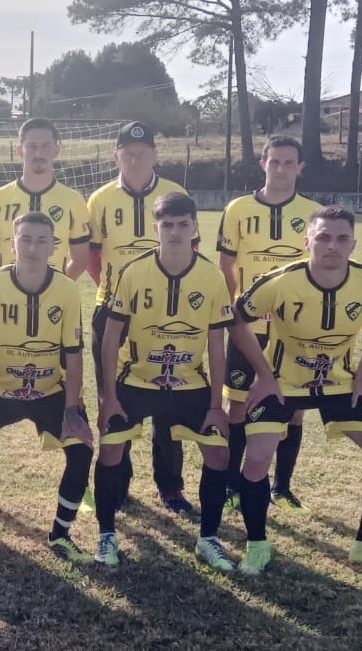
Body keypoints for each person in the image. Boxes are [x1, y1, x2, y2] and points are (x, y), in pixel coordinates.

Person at [232, 205, 362, 576]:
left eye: (342, 239)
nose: (332, 246)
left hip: (340, 383)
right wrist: (263, 375)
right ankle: (257, 545)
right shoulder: (278, 282)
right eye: (324, 237)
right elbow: (236, 319)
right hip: (282, 382)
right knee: (258, 460)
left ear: (353, 244)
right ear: (307, 240)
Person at [96, 193, 245, 571]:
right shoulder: (133, 272)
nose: (175, 232)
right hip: (137, 380)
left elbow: (216, 344)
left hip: (189, 383)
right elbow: (111, 336)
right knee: (111, 449)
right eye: (167, 225)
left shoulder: (211, 276)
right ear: (155, 228)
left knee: (218, 453)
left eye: (183, 224)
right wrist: (109, 396)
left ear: (195, 227)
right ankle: (106, 535)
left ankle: (208, 539)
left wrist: (216, 405)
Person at [0, 212, 94, 567]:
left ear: (54, 246)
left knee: (81, 449)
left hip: (49, 389)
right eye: (25, 239)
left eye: (41, 240)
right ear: (12, 244)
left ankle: (61, 535)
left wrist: (72, 411)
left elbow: (74, 355)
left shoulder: (66, 289)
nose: (32, 247)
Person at [86, 121, 201, 514]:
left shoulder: (175, 191)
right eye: (128, 153)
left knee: (168, 396)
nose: (135, 159)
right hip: (111, 310)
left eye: (142, 152)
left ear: (154, 154)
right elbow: (93, 256)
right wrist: (118, 292)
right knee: (114, 398)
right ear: (116, 155)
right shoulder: (99, 199)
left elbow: (192, 249)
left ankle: (170, 487)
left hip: (166, 311)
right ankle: (118, 485)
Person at [217, 135, 320, 515]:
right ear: (263, 163)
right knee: (237, 405)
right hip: (247, 328)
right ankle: (232, 484)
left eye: (289, 162)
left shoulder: (313, 212)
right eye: (274, 161)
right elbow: (226, 266)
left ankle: (283, 487)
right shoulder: (237, 209)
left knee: (294, 407)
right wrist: (235, 312)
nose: (281, 169)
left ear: (300, 167)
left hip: (294, 330)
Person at [0, 117, 90, 280]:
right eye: (32, 146)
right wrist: (3, 287)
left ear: (57, 150)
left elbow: (80, 261)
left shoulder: (74, 200)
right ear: (20, 150)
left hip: (54, 294)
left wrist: (58, 287)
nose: (39, 153)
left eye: (46, 146)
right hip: (7, 293)